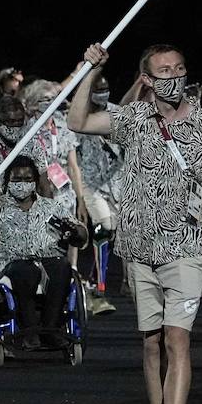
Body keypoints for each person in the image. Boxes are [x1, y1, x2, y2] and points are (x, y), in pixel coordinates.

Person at [69, 42, 202, 404]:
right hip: (139, 249)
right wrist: (90, 71)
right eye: (164, 70)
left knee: (176, 339)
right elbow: (78, 120)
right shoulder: (134, 120)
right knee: (150, 344)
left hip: (185, 246)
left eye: (180, 68)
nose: (174, 76)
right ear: (146, 79)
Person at [0, 156, 88, 350]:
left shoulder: (51, 207)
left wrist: (77, 231)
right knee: (27, 270)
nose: (22, 184)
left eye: (28, 179)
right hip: (11, 262)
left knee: (62, 266)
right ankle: (30, 330)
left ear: (36, 182)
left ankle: (51, 329)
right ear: (7, 181)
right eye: (17, 179)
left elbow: (81, 233)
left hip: (49, 258)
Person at [74, 72, 121, 315]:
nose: (103, 94)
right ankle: (99, 288)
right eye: (98, 89)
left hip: (116, 184)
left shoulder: (115, 112)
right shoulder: (80, 115)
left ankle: (90, 279)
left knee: (111, 234)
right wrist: (79, 195)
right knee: (104, 227)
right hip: (91, 184)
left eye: (106, 89)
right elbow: (73, 156)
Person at [21, 78, 86, 211]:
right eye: (45, 99)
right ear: (34, 103)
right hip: (40, 200)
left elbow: (73, 167)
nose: (51, 103)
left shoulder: (64, 127)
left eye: (53, 99)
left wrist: (81, 201)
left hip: (66, 198)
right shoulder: (26, 132)